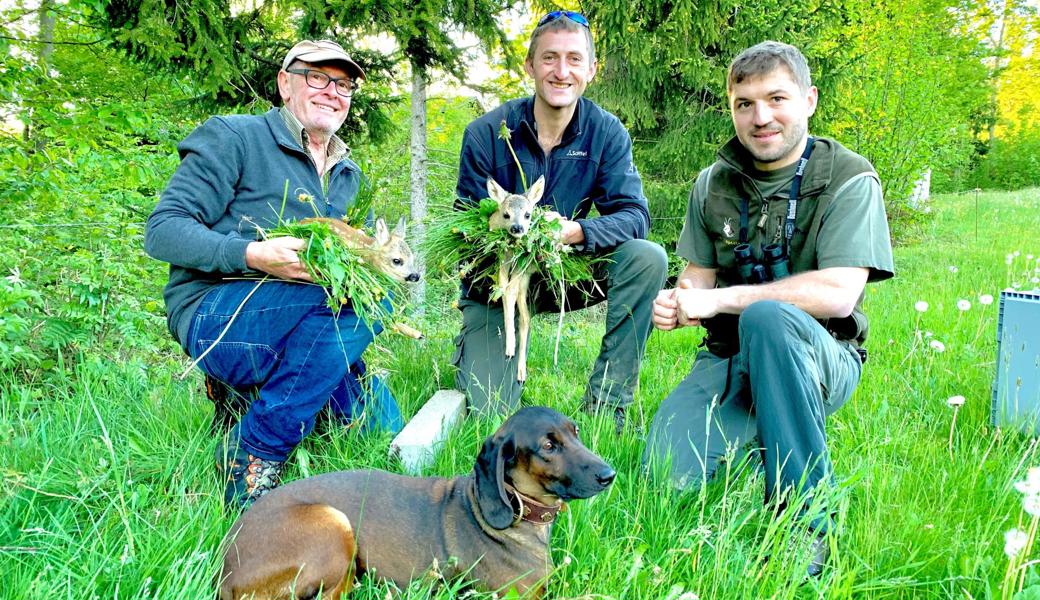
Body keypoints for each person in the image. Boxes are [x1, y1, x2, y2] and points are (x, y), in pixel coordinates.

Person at [643, 41, 894, 575]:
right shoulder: (713, 183)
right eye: (744, 103)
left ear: (808, 100)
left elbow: (838, 293)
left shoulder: (849, 176)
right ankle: (765, 439)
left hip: (818, 356)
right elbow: (698, 278)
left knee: (768, 317)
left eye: (776, 98)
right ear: (731, 108)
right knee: (665, 474)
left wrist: (721, 300)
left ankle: (805, 520)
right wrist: (681, 301)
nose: (761, 118)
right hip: (728, 360)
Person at [145, 40, 403, 510]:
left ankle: (245, 399)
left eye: (343, 84)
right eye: (317, 77)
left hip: (304, 318)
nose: (332, 91)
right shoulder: (234, 137)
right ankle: (253, 451)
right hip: (217, 312)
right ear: (285, 83)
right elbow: (163, 230)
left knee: (384, 433)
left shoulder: (349, 176)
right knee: (366, 303)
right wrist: (252, 254)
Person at [453, 11, 668, 430]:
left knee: (647, 257)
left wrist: (578, 231)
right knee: (490, 411)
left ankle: (608, 404)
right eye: (550, 57)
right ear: (530, 65)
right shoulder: (486, 133)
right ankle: (480, 344)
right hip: (501, 283)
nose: (561, 71)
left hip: (564, 273)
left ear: (591, 69)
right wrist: (506, 241)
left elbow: (635, 216)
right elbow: (463, 227)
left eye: (574, 59)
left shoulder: (606, 133)